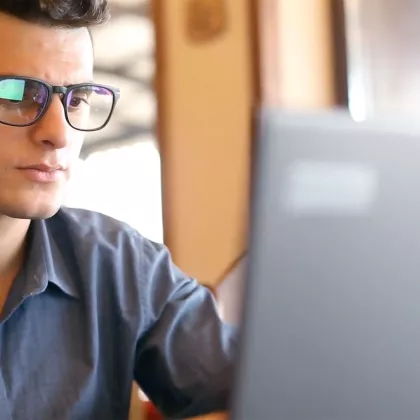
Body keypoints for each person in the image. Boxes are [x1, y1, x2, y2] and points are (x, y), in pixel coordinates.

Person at [0, 0, 237, 419]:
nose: (58, 133)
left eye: (77, 99)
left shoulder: (120, 265)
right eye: (17, 94)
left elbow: (250, 396)